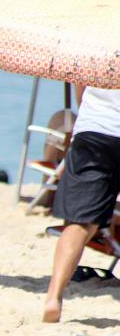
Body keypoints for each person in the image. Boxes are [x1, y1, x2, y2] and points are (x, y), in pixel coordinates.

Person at [43, 86, 120, 323]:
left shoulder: (94, 48)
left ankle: (54, 296)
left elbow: (81, 92)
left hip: (94, 131)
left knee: (80, 224)